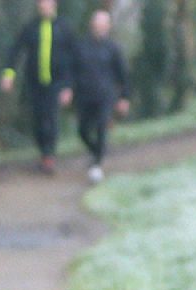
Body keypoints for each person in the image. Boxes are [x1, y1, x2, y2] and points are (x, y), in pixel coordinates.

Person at [0, 0, 77, 176]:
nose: (43, 5)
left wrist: (68, 86)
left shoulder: (64, 28)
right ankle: (44, 153)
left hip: (56, 84)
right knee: (38, 119)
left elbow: (73, 59)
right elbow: (16, 50)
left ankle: (49, 156)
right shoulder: (31, 28)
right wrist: (9, 74)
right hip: (34, 83)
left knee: (51, 118)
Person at [74, 9, 131, 184]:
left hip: (106, 96)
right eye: (97, 22)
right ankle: (96, 152)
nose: (99, 26)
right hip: (85, 96)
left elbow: (123, 74)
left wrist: (124, 97)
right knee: (82, 130)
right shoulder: (81, 46)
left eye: (103, 23)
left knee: (101, 127)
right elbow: (73, 70)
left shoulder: (113, 48)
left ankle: (97, 165)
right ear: (92, 24)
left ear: (108, 26)